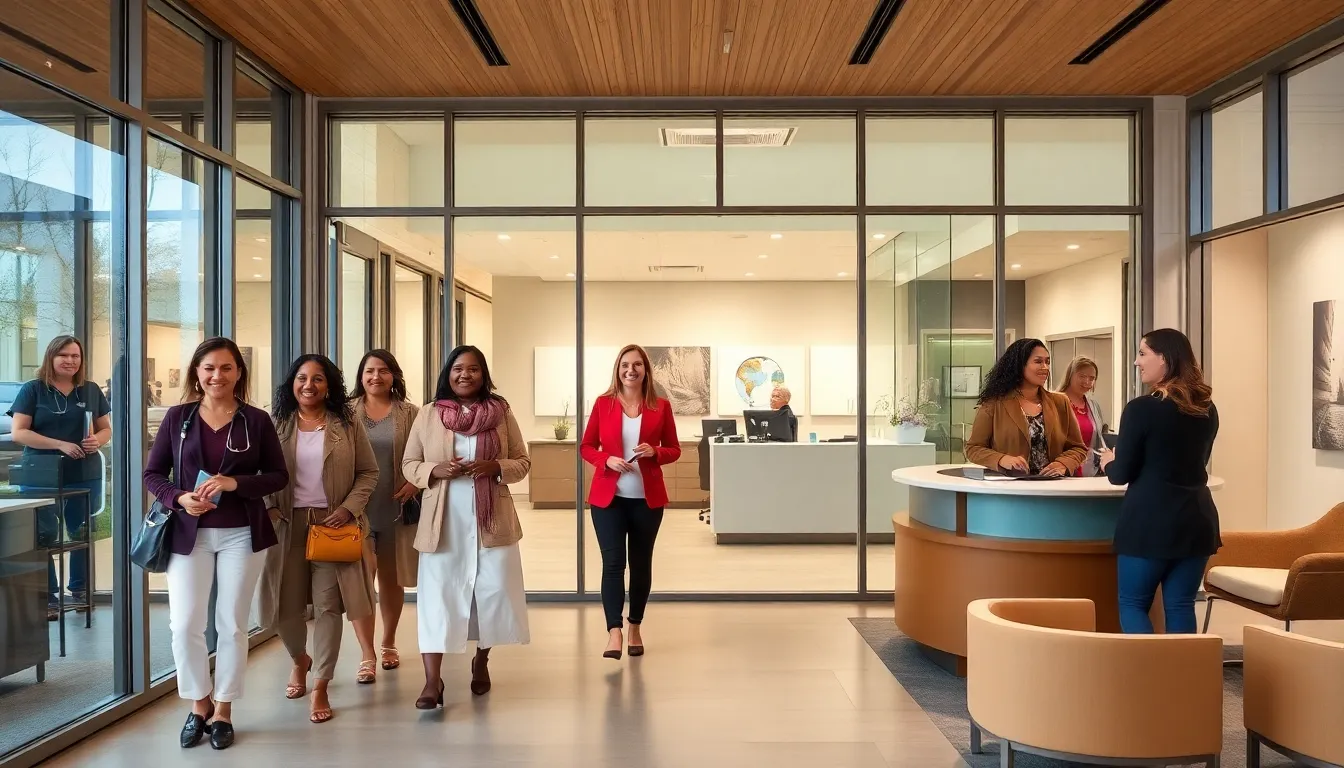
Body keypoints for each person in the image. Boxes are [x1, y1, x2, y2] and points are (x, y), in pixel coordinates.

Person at [142, 337, 289, 750]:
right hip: (189, 536)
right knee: (184, 624)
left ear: (239, 372)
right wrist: (179, 498)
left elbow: (278, 476)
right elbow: (154, 474)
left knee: (231, 623)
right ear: (197, 372)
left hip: (242, 532)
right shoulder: (178, 418)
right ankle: (197, 703)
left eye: (226, 368)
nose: (216, 376)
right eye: (208, 368)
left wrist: (234, 483)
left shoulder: (256, 421)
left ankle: (223, 708)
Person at [402, 345, 530, 708]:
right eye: (458, 368)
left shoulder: (501, 412)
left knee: (489, 595)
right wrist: (434, 470)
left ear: (482, 374)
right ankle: (432, 682)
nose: (465, 375)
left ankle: (482, 660)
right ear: (448, 373)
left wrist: (496, 467)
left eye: (473, 369)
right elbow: (409, 463)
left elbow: (522, 460)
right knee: (437, 599)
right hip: (443, 524)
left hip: (492, 522)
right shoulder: (429, 414)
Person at [257, 354, 378, 724]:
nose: (309, 385)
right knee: (285, 608)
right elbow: (253, 473)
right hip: (285, 525)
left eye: (318, 379)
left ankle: (322, 683)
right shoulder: (273, 423)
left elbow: (368, 472)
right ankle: (299, 660)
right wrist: (270, 509)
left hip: (333, 527)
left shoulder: (346, 422)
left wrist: (350, 508)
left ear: (330, 386)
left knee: (328, 608)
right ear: (291, 383)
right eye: (302, 378)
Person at [1099, 329, 1220, 634]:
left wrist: (1109, 460)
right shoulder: (1207, 408)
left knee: (1133, 604)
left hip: (1149, 523)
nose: (1137, 362)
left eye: (1142, 354)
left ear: (1165, 358)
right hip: (1197, 520)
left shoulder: (1141, 409)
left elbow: (1120, 474)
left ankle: (1147, 680)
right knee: (1180, 605)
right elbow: (1191, 462)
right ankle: (1180, 681)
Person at [580, 344, 681, 660]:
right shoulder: (603, 404)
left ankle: (635, 625)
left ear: (645, 370)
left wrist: (656, 452)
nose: (631, 370)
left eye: (637, 365)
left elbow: (674, 449)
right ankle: (614, 632)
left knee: (640, 565)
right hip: (608, 499)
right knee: (612, 565)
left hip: (646, 501)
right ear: (618, 369)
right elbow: (586, 447)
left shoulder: (660, 407)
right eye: (625, 364)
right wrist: (606, 459)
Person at [7, 335, 111, 620]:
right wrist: (59, 444)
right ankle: (48, 597)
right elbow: (19, 432)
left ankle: (79, 591)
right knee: (43, 534)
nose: (70, 361)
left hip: (83, 473)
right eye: (63, 355)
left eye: (75, 356)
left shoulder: (89, 390)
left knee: (81, 532)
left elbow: (106, 428)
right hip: (41, 473)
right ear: (51, 357)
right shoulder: (33, 390)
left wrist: (97, 441)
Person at [349, 350, 420, 682]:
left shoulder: (411, 414)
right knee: (361, 582)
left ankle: (389, 641)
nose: (375, 377)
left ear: (394, 375)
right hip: (355, 512)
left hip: (395, 509)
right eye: (369, 371)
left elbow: (425, 456)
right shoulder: (344, 413)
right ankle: (367, 653)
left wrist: (414, 483)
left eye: (383, 371)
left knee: (392, 580)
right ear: (361, 376)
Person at [965, 338, 1088, 477]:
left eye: (1047, 362)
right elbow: (973, 449)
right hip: (1009, 489)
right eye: (1038, 361)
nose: (1045, 367)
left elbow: (1078, 448)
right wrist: (1002, 459)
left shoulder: (1060, 402)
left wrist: (1063, 463)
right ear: (1019, 365)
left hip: (1053, 489)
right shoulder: (994, 404)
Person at [1057, 356, 1108, 477]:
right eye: (1082, 376)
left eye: (1092, 378)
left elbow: (1098, 440)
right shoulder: (1055, 402)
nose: (1087, 382)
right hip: (1061, 469)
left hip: (1088, 472)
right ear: (1070, 375)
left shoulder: (1093, 406)